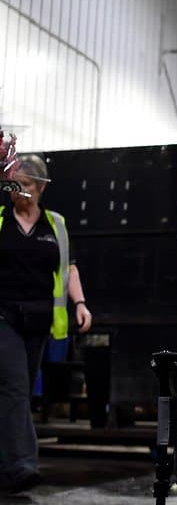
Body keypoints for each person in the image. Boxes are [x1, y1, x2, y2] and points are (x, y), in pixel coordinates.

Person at [0, 153, 91, 494]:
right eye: (12, 185)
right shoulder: (0, 220)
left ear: (39, 187)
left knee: (17, 393)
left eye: (24, 185)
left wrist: (80, 304)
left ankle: (6, 464)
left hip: (38, 320)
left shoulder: (56, 225)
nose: (17, 191)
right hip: (3, 316)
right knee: (15, 386)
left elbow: (68, 269)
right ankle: (21, 465)